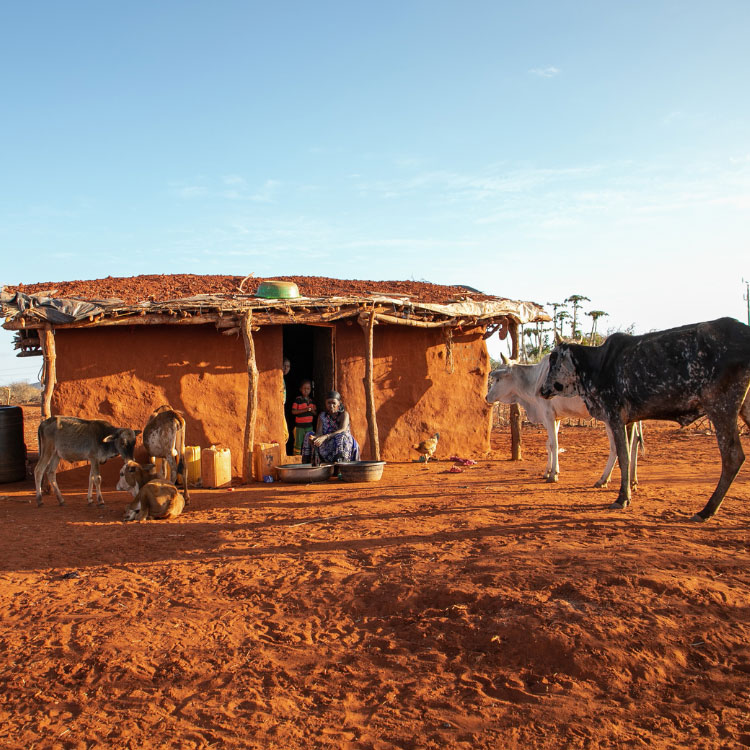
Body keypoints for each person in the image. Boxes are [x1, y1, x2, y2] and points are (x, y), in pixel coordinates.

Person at [301, 390, 360, 465]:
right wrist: (314, 438)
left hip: (342, 445)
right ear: (325, 403)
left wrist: (326, 436)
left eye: (333, 403)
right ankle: (308, 466)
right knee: (308, 434)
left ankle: (341, 467)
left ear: (339, 403)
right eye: (329, 403)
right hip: (326, 446)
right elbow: (319, 433)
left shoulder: (344, 414)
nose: (331, 405)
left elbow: (342, 429)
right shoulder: (322, 416)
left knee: (342, 435)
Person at [291, 380, 317, 455]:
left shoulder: (312, 401)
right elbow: (293, 411)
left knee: (309, 442)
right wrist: (305, 410)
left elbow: (315, 413)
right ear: (300, 389)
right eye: (304, 388)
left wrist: (311, 410)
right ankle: (296, 458)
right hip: (299, 427)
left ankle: (308, 457)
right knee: (298, 443)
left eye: (308, 389)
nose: (306, 390)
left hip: (309, 427)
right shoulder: (298, 400)